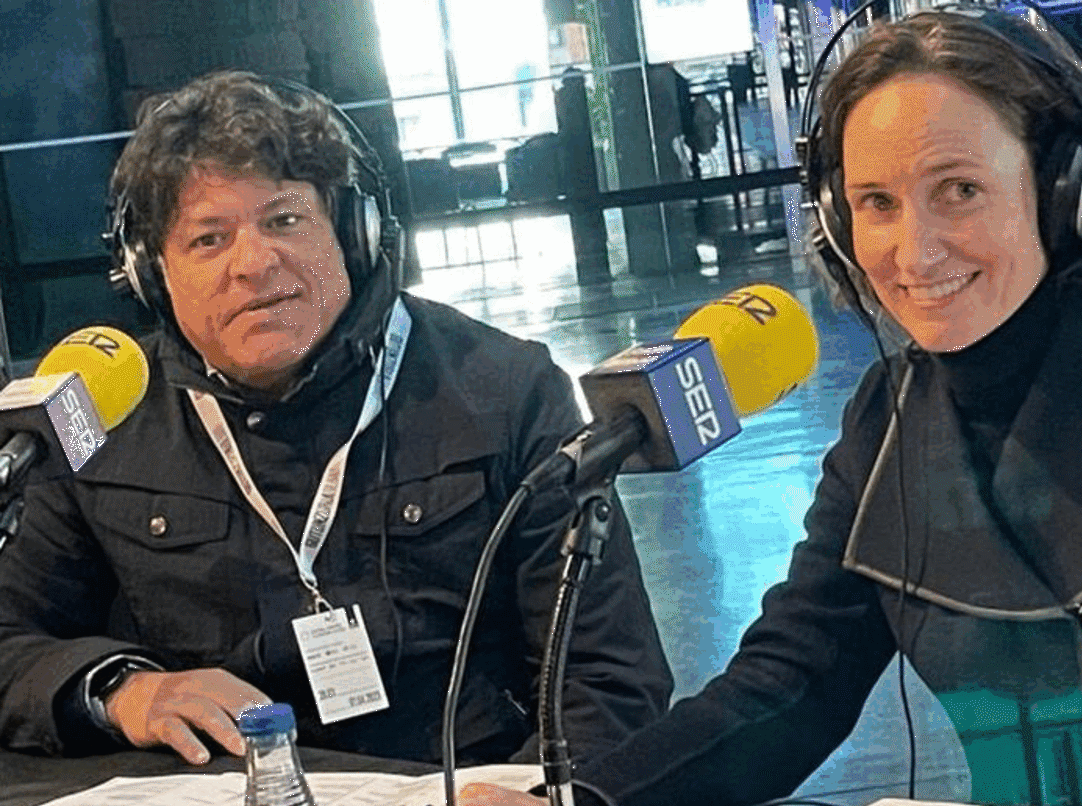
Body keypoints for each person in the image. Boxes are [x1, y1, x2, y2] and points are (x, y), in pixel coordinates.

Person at [431, 7, 1082, 806]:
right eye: (877, 203)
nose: (915, 250)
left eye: (960, 190)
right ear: (836, 220)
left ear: (1072, 191)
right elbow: (791, 684)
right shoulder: (887, 421)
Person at [0, 71, 673, 768]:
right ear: (151, 274)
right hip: (219, 805)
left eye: (285, 220)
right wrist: (119, 691)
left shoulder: (504, 388)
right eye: (209, 240)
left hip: (461, 794)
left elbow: (608, 673)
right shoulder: (98, 419)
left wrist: (538, 799)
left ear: (355, 232)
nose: (255, 262)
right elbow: (7, 639)